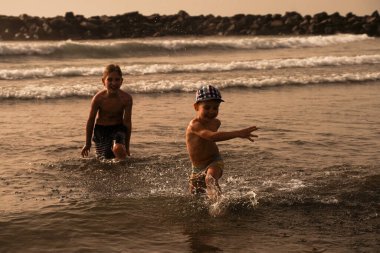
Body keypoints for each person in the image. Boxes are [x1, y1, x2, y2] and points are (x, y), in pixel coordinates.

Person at [186, 85, 258, 200]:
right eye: (207, 107)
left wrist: (237, 134)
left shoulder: (216, 123)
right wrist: (238, 133)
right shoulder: (194, 125)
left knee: (210, 179)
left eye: (215, 108)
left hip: (214, 160)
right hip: (197, 167)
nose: (211, 111)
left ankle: (219, 206)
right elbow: (211, 137)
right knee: (194, 197)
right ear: (196, 107)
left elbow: (213, 138)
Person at [81, 64, 132, 160]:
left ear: (121, 81)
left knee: (119, 149)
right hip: (101, 131)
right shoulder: (98, 99)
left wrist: (127, 146)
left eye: (117, 79)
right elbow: (91, 120)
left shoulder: (126, 99)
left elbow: (127, 123)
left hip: (118, 128)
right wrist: (87, 143)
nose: (114, 83)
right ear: (103, 81)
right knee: (105, 160)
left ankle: (124, 172)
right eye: (110, 80)